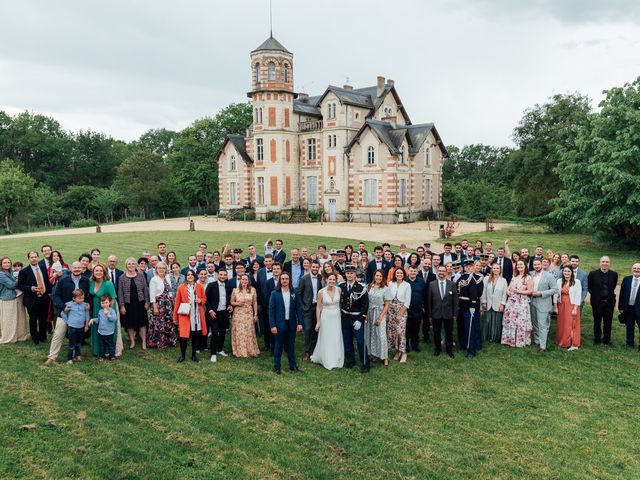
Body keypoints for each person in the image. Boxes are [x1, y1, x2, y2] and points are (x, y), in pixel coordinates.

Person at [44, 262, 90, 364]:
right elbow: (56, 295)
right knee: (58, 334)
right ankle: (52, 356)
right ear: (71, 268)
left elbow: (88, 296)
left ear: (82, 269)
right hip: (65, 312)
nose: (77, 269)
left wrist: (88, 305)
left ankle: (75, 355)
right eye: (75, 268)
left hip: (79, 314)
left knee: (76, 337)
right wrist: (63, 306)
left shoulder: (86, 281)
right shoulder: (63, 280)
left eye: (79, 268)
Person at [269, 271, 303, 374]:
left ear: (289, 280)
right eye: (282, 279)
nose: (284, 280)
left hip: (291, 323)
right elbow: (271, 311)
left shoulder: (294, 293)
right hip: (279, 324)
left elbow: (299, 309)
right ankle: (277, 367)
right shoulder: (275, 293)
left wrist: (300, 323)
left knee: (291, 346)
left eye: (286, 279)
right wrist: (273, 325)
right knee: (278, 346)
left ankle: (293, 366)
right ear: (280, 280)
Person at [311, 273, 345, 370]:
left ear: (336, 281)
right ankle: (326, 358)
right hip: (325, 316)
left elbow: (340, 303)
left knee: (336, 336)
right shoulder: (321, 292)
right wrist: (318, 321)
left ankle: (336, 358)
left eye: (334, 280)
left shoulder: (339, 289)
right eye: (330, 279)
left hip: (336, 316)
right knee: (326, 336)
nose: (332, 281)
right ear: (326, 280)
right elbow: (318, 307)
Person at [173, 270, 207, 362]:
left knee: (196, 335)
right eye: (188, 275)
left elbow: (204, 299)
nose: (190, 276)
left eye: (192, 274)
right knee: (183, 337)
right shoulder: (181, 287)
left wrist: (200, 301)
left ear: (194, 276)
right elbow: (177, 303)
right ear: (186, 277)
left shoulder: (199, 287)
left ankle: (193, 355)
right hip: (185, 315)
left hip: (197, 315)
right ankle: (183, 355)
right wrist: (175, 317)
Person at [340, 264, 370, 372]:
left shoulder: (361, 288)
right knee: (347, 340)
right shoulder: (341, 286)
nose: (349, 275)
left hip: (357, 318)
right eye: (347, 273)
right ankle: (350, 360)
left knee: (360, 342)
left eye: (351, 273)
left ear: (355, 274)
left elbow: (365, 304)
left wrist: (361, 319)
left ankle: (365, 364)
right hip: (345, 318)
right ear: (345, 274)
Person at [17, 251, 51, 344]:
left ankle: (42, 336)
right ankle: (35, 337)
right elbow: (20, 285)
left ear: (38, 257)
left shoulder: (43, 268)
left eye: (35, 257)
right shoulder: (24, 271)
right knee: (33, 319)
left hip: (44, 298)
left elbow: (46, 281)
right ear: (29, 259)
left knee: (43, 318)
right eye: (31, 257)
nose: (34, 258)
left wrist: (48, 293)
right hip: (32, 299)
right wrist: (31, 288)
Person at [89, 264, 121, 357]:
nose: (98, 272)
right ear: (93, 272)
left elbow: (113, 298)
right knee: (97, 326)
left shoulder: (108, 283)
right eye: (96, 271)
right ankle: (97, 350)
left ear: (104, 272)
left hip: (106, 308)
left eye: (101, 271)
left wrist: (108, 311)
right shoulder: (91, 282)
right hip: (96, 306)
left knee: (107, 326)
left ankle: (109, 351)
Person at [117, 257, 150, 350]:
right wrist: (122, 306)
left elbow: (145, 289)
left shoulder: (140, 276)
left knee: (142, 323)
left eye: (132, 264)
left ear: (135, 265)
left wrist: (147, 302)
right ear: (126, 265)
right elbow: (120, 292)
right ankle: (132, 341)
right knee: (130, 324)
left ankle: (143, 341)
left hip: (140, 302)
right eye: (129, 264)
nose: (131, 265)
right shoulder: (122, 278)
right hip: (128, 303)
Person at [428, 265, 458, 358]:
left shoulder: (452, 284)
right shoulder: (431, 284)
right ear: (437, 272)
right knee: (436, 332)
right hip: (436, 313)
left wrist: (455, 313)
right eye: (439, 271)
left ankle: (449, 350)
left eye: (443, 271)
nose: (441, 272)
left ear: (446, 272)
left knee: (449, 332)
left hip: (448, 313)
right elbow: (429, 301)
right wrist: (430, 314)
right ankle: (437, 349)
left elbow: (455, 300)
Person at [501, 260, 533, 348]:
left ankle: (520, 341)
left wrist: (517, 291)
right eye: (518, 265)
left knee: (520, 321)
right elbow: (509, 287)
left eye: (521, 264)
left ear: (525, 266)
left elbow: (530, 291)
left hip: (522, 302)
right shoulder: (514, 276)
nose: (519, 266)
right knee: (511, 320)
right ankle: (509, 339)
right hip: (511, 302)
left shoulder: (528, 277)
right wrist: (507, 291)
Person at [587, 256, 618, 346]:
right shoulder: (593, 274)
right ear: (600, 263)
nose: (605, 263)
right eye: (603, 261)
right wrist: (596, 295)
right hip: (597, 302)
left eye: (607, 262)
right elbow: (589, 287)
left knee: (608, 322)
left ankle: (607, 340)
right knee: (597, 321)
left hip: (609, 302)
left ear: (609, 263)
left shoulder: (614, 274)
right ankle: (597, 339)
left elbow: (613, 286)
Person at [529, 258, 559, 353]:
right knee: (534, 323)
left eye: (538, 264)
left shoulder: (548, 276)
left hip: (543, 302)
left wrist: (541, 293)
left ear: (542, 264)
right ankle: (537, 340)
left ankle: (543, 346)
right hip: (532, 302)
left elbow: (555, 289)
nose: (536, 266)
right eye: (535, 265)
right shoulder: (531, 274)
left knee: (542, 325)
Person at [457, 260, 484, 358]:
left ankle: (471, 350)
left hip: (469, 306)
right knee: (462, 327)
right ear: (464, 267)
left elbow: (474, 294)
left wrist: (472, 306)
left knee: (470, 329)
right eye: (466, 266)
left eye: (470, 266)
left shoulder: (472, 279)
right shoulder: (462, 277)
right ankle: (464, 345)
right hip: (461, 306)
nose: (468, 268)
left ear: (473, 267)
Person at [148, 261, 178, 349]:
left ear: (166, 269)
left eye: (163, 268)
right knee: (159, 323)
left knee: (168, 322)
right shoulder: (154, 279)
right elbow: (152, 294)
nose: (161, 270)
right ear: (156, 269)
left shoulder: (167, 278)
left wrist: (173, 302)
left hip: (168, 304)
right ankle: (158, 342)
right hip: (159, 304)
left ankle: (169, 341)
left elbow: (170, 291)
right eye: (159, 268)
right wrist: (155, 307)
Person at [205, 268, 233, 363]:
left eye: (224, 275)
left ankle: (220, 349)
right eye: (221, 274)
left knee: (222, 332)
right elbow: (206, 299)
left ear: (227, 276)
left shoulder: (228, 286)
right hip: (214, 313)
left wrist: (229, 305)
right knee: (215, 333)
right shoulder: (211, 285)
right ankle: (213, 354)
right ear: (218, 275)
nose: (222, 276)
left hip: (224, 313)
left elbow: (229, 299)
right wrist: (210, 310)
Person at [230, 274, 260, 358]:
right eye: (243, 279)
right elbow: (231, 302)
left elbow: (255, 302)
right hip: (238, 314)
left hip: (248, 313)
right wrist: (237, 303)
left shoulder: (253, 290)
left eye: (246, 279)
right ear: (240, 280)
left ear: (248, 281)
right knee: (239, 332)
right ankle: (240, 351)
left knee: (248, 331)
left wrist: (255, 314)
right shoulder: (235, 290)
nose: (244, 281)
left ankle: (250, 350)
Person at [0, 256, 28, 344]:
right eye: (5, 263)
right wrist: (20, 281)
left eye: (8, 262)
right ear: (1, 264)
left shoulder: (11, 271)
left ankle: (20, 336)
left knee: (20, 317)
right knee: (9, 319)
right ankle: (8, 337)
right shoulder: (1, 274)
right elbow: (11, 285)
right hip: (7, 298)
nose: (7, 264)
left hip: (17, 297)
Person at [366, 270, 391, 365]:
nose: (378, 278)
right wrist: (367, 314)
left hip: (380, 312)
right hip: (370, 312)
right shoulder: (369, 286)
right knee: (372, 334)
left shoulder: (385, 288)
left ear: (383, 277)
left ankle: (385, 357)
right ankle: (376, 354)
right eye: (377, 276)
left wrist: (380, 317)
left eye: (380, 276)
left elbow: (387, 304)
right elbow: (367, 302)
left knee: (381, 335)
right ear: (374, 276)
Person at [387, 267, 411, 363]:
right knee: (392, 332)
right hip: (391, 310)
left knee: (400, 332)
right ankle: (397, 351)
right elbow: (387, 298)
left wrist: (400, 314)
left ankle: (403, 352)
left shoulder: (407, 285)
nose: (399, 275)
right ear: (395, 274)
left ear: (404, 274)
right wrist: (388, 312)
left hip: (402, 310)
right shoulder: (390, 284)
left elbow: (407, 301)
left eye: (401, 273)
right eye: (397, 273)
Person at [298, 260, 321, 361]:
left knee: (316, 329)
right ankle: (307, 351)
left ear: (319, 268)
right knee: (308, 329)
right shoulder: (304, 278)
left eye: (317, 267)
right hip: (307, 308)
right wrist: (303, 306)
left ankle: (314, 349)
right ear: (311, 267)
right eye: (314, 267)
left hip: (318, 308)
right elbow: (299, 293)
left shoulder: (321, 278)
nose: (315, 269)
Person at [555, 266, 582, 351]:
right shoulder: (559, 281)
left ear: (572, 272)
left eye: (568, 271)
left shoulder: (577, 282)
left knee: (571, 324)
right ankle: (562, 341)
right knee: (562, 323)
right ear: (562, 272)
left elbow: (578, 295)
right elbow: (556, 294)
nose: (566, 273)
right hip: (561, 305)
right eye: (565, 271)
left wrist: (575, 308)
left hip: (572, 305)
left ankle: (573, 343)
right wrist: (555, 306)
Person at [60, 289, 90, 364]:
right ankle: (69, 359)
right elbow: (63, 314)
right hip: (72, 327)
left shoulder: (85, 305)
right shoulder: (69, 304)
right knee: (71, 344)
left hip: (81, 327)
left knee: (79, 343)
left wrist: (86, 325)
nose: (82, 300)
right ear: (74, 298)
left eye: (83, 298)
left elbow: (87, 315)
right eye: (80, 298)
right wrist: (68, 322)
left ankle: (78, 355)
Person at [480, 264, 508, 343]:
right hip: (488, 304)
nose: (495, 270)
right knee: (487, 321)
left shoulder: (503, 280)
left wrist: (502, 304)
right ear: (492, 269)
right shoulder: (486, 279)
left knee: (496, 322)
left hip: (498, 304)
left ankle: (495, 338)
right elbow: (483, 291)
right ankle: (486, 337)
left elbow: (504, 293)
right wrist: (484, 302)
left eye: (497, 268)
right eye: (494, 268)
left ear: (500, 270)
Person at [89, 294, 117, 361]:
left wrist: (108, 315)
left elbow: (114, 319)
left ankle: (112, 356)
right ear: (100, 303)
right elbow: (99, 320)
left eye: (106, 302)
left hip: (109, 332)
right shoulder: (100, 311)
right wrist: (93, 320)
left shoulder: (112, 311)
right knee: (101, 345)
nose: (104, 304)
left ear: (109, 302)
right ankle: (101, 356)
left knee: (110, 345)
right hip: (101, 332)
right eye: (102, 303)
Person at [405, 265, 426, 353]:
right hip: (406, 310)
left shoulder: (421, 281)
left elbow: (425, 295)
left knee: (416, 329)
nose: (413, 272)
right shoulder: (405, 281)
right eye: (411, 271)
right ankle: (406, 346)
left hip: (417, 310)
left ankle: (415, 345)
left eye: (414, 271)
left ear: (417, 272)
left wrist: (424, 306)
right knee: (406, 329)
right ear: (408, 272)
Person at [618, 264, 640, 348]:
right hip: (628, 308)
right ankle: (629, 343)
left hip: (639, 308)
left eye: (638, 268)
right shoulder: (626, 279)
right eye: (634, 268)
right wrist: (621, 307)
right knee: (629, 326)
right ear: (632, 269)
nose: (636, 270)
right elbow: (622, 294)